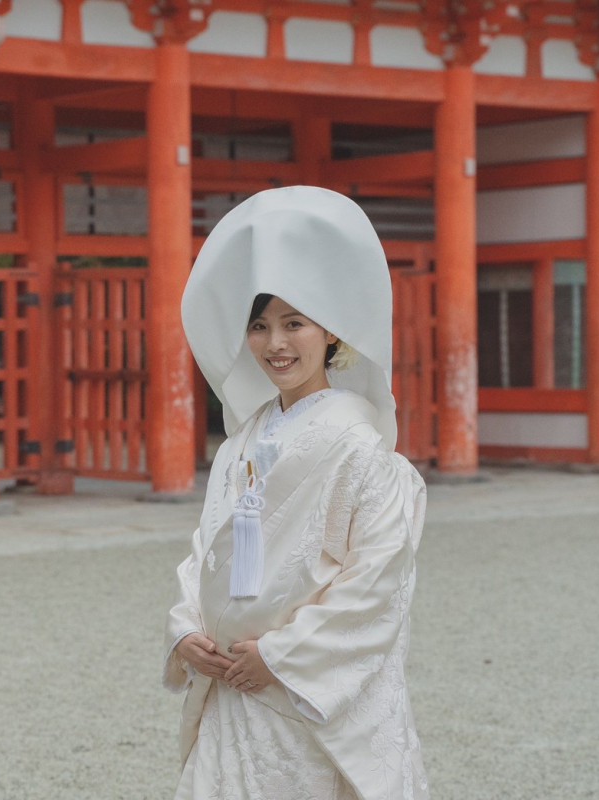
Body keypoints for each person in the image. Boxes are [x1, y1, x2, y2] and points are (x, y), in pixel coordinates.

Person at [163, 186, 429, 800]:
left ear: (330, 332)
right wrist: (186, 629)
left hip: (294, 687)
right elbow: (209, 550)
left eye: (294, 323)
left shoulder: (359, 446)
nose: (276, 344)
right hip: (233, 676)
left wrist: (280, 654)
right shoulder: (240, 444)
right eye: (260, 326)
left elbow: (378, 580)